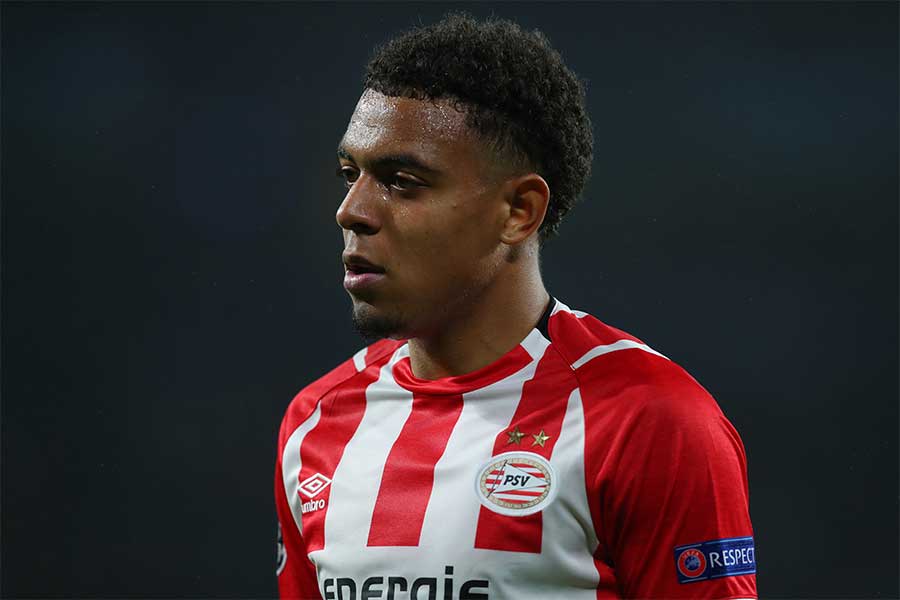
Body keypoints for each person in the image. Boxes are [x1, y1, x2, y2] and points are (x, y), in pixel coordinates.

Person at [274, 13, 756, 600]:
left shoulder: (648, 420)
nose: (351, 210)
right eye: (350, 174)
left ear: (519, 211)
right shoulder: (317, 422)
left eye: (402, 181)